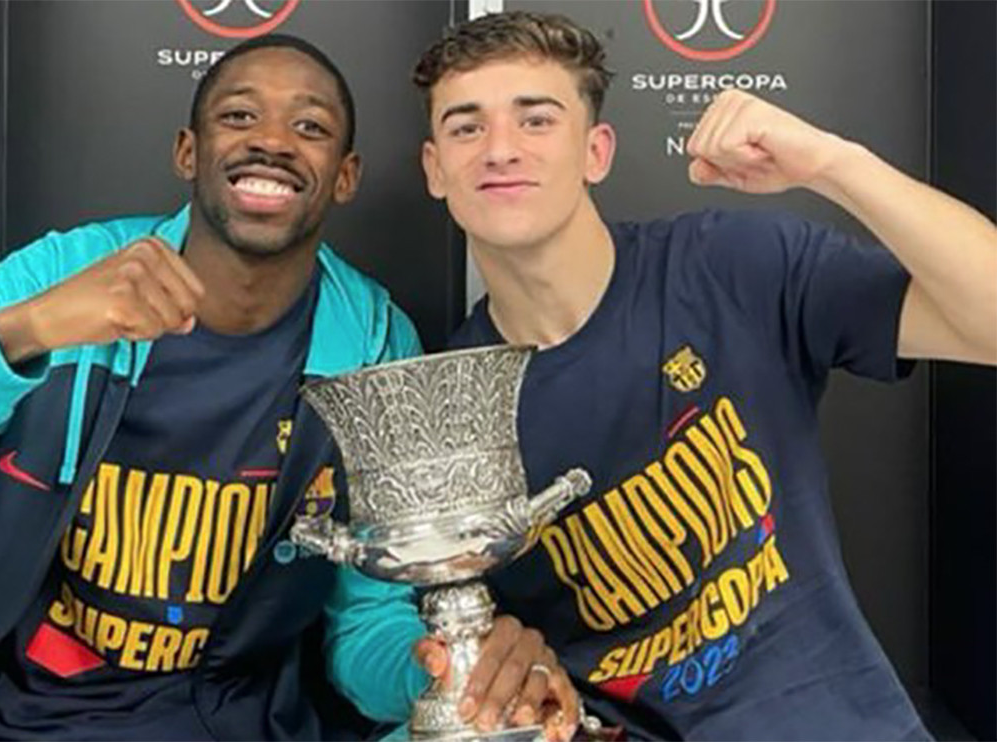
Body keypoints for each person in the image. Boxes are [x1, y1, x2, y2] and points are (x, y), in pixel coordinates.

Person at [0, 34, 576, 741]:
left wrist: (446, 678)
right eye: (240, 116)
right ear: (187, 151)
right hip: (11, 725)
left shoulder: (371, 341)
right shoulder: (59, 277)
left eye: (308, 127)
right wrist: (23, 332)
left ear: (345, 177)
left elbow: (362, 618)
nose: (272, 141)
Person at [412, 10, 997, 740]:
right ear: (435, 169)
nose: (500, 149)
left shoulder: (727, 267)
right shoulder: (449, 410)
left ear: (596, 151)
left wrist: (833, 164)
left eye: (536, 121)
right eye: (466, 127)